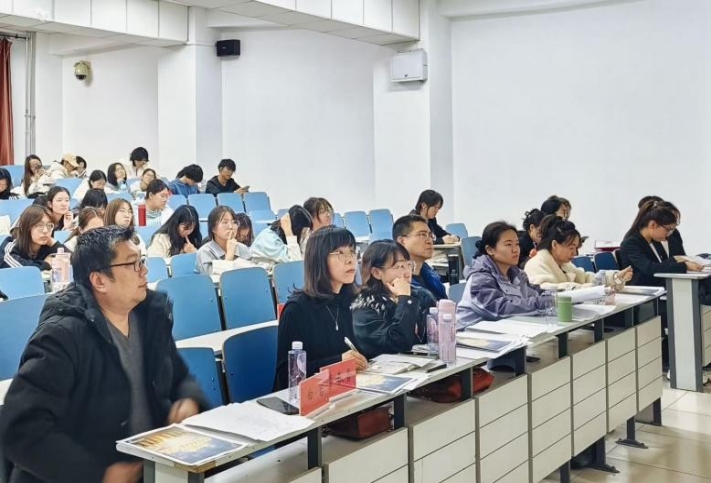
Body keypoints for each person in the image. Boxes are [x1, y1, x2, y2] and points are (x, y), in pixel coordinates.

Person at [0, 226, 208, 483]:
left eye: (142, 261)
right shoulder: (62, 336)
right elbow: (20, 426)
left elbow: (179, 376)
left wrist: (188, 399)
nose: (144, 271)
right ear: (99, 281)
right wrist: (98, 475)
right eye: (132, 264)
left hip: (152, 465)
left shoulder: (151, 315)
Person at [274, 226, 368, 390]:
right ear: (320, 260)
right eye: (340, 253)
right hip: (305, 398)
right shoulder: (297, 309)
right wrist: (338, 362)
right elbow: (286, 374)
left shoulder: (351, 302)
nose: (350, 260)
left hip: (343, 390)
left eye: (352, 252)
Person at [456, 221, 555, 328]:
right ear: (490, 250)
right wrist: (542, 303)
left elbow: (536, 293)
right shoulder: (480, 278)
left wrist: (554, 297)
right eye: (508, 244)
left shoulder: (517, 274)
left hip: (503, 329)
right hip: (470, 332)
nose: (515, 250)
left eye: (517, 244)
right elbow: (499, 309)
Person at [351, 240, 431, 359]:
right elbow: (397, 344)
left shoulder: (421, 296)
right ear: (376, 273)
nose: (407, 273)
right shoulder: (364, 308)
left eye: (409, 265)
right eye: (399, 266)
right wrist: (405, 300)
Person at [524, 215, 633, 291]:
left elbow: (586, 278)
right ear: (554, 245)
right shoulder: (535, 265)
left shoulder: (565, 265)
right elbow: (547, 290)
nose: (575, 253)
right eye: (571, 248)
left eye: (576, 248)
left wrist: (615, 277)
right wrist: (586, 289)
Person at [619, 200, 702, 287]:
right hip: (644, 290)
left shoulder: (654, 241)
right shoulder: (631, 243)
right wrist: (684, 266)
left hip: (660, 286)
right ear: (653, 225)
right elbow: (650, 268)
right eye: (667, 229)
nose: (668, 234)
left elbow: (662, 265)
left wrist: (675, 259)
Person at [393, 214, 447, 300]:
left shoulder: (432, 275)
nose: (429, 241)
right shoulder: (397, 283)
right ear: (402, 241)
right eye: (422, 234)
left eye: (430, 235)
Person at [0, 205, 67, 270]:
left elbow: (69, 261)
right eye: (40, 225)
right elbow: (21, 269)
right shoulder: (11, 245)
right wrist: (46, 264)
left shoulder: (48, 246)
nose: (45, 230)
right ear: (25, 227)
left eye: (49, 225)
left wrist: (53, 242)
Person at [250, 205, 312, 271]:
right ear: (295, 228)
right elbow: (296, 264)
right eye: (304, 231)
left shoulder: (284, 235)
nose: (305, 235)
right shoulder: (269, 238)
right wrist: (289, 233)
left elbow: (304, 259)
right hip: (258, 274)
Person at [195, 206, 252, 275]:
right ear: (213, 228)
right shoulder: (205, 252)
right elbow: (213, 279)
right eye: (225, 222)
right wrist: (229, 255)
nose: (230, 226)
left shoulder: (243, 248)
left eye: (234, 222)